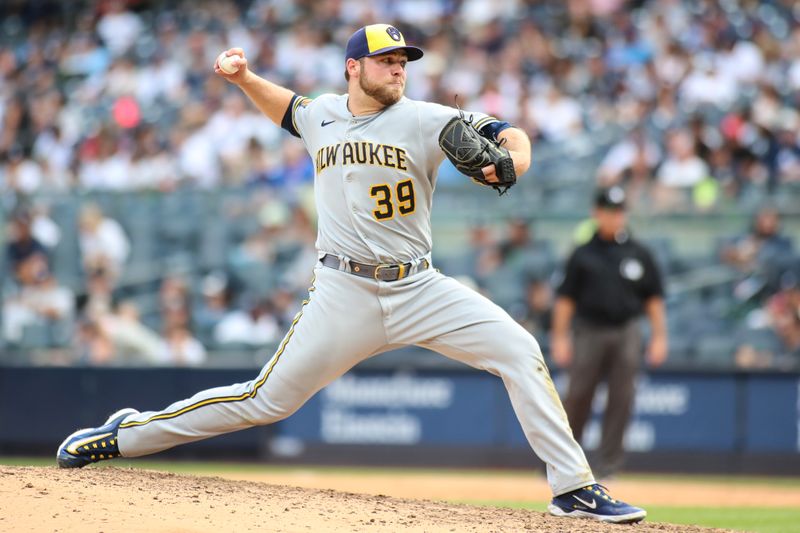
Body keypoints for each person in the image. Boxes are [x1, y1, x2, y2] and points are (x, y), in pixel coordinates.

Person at [56, 24, 646, 524]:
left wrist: (514, 158)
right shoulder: (323, 117)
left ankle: (571, 487)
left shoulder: (426, 119)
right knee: (264, 401)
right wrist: (242, 80)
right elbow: (288, 108)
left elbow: (505, 134)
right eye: (386, 61)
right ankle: (128, 433)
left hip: (419, 286)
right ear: (353, 68)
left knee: (519, 349)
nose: (398, 70)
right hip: (344, 291)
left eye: (403, 62)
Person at [551, 186, 668, 480]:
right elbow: (566, 300)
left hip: (627, 330)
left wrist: (659, 336)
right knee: (578, 396)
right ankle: (564, 463)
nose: (614, 217)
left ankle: (608, 466)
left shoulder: (639, 253)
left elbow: (653, 299)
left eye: (619, 211)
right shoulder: (582, 254)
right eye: (608, 211)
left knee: (622, 398)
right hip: (588, 330)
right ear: (596, 213)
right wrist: (560, 337)